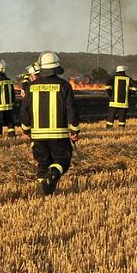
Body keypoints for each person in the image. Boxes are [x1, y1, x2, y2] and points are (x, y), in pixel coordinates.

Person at [20, 51, 80, 195]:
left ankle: (44, 193)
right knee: (62, 161)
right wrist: (74, 130)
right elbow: (71, 110)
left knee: (43, 163)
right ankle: (53, 174)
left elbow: (24, 110)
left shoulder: (31, 87)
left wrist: (26, 129)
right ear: (56, 67)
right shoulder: (64, 86)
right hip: (59, 135)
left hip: (38, 136)